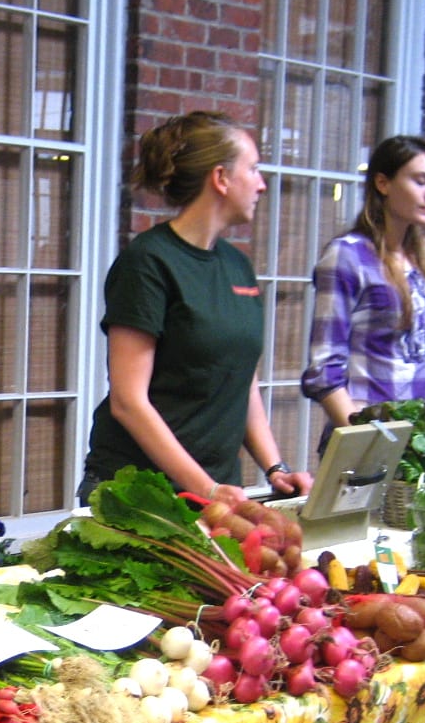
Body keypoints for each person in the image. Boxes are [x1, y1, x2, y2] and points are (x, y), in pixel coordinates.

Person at [79, 111, 311, 507]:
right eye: (253, 169)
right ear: (221, 178)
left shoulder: (237, 265)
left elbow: (242, 381)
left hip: (215, 492)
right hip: (140, 494)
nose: (262, 183)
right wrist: (206, 488)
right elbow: (128, 402)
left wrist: (275, 469)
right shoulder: (149, 262)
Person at [301, 135, 425, 438]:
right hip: (367, 435)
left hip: (421, 438)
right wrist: (368, 443)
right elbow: (324, 369)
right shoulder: (348, 255)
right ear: (383, 183)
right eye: (421, 181)